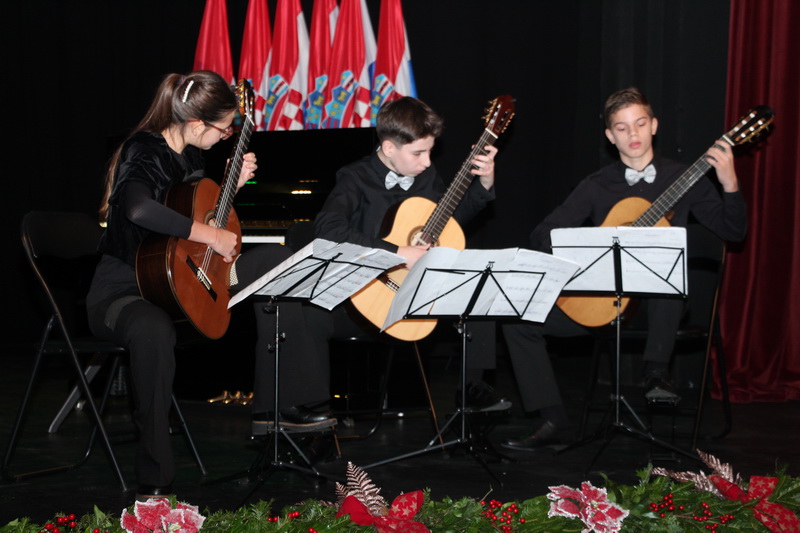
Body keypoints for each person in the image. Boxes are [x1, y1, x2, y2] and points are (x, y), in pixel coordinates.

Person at [499, 87, 747, 451]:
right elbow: (542, 234)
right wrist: (591, 242)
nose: (633, 134)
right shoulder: (596, 185)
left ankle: (656, 373)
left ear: (654, 126)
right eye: (622, 127)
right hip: (603, 304)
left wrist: (729, 183)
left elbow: (733, 232)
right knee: (517, 320)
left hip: (658, 310)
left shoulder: (685, 178)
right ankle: (551, 419)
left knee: (665, 271)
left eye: (640, 123)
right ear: (610, 136)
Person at [87, 70, 291, 500]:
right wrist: (212, 235)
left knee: (275, 261)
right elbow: (140, 209)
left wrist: (231, 188)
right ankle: (155, 483)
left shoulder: (192, 158)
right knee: (153, 330)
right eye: (224, 128)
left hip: (178, 284)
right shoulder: (144, 149)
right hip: (122, 292)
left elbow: (186, 228)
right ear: (197, 124)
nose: (227, 135)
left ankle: (289, 414)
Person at [251, 96, 509, 434]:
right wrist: (396, 251)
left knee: (481, 290)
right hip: (366, 298)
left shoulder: (426, 176)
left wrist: (484, 184)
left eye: (430, 152)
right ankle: (309, 411)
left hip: (415, 294)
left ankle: (471, 394)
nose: (427, 162)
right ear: (388, 147)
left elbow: (447, 222)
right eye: (418, 153)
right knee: (307, 313)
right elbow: (329, 229)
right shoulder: (355, 178)